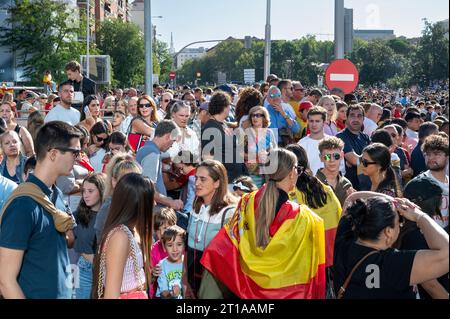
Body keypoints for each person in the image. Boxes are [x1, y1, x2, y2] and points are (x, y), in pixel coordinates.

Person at [200, 149, 326, 299]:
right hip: (282, 293)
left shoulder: (246, 201)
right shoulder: (303, 218)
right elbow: (306, 267)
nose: (299, 174)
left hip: (242, 289)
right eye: (298, 169)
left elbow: (226, 245)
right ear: (291, 173)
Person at [0, 121, 81, 299]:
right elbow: (5, 280)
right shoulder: (23, 204)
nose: (79, 158)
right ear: (53, 153)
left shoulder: (56, 194)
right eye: (75, 152)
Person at [333, 192, 449, 299]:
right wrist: (419, 216)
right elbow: (446, 253)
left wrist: (391, 202)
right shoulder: (392, 264)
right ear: (388, 232)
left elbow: (352, 198)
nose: (401, 225)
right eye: (400, 221)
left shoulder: (344, 239)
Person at [92, 173, 154, 299]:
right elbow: (111, 294)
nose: (155, 204)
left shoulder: (131, 231)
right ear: (140, 203)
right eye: (151, 199)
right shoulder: (120, 236)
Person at [186, 160, 238, 297]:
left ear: (217, 183)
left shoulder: (229, 212)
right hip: (192, 278)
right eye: (196, 178)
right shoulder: (196, 207)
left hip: (215, 282)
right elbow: (188, 248)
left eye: (203, 179)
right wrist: (185, 279)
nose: (197, 183)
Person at [398, 175, 449, 299]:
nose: (441, 200)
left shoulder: (410, 229)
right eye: (438, 197)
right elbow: (430, 284)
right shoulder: (414, 236)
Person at [94, 153, 142, 245]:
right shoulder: (109, 208)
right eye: (126, 180)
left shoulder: (137, 204)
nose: (132, 184)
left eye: (135, 179)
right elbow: (103, 245)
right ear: (114, 181)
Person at [136, 120, 184, 212]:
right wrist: (171, 202)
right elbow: (149, 190)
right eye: (173, 141)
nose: (172, 145)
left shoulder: (146, 149)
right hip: (153, 211)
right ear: (167, 137)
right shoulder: (152, 153)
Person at [201, 91, 248, 186]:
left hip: (236, 179)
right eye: (229, 105)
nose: (230, 108)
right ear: (224, 107)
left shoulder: (223, 124)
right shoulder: (211, 127)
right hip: (225, 181)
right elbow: (208, 159)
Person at [73, 173, 106, 299]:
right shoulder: (77, 215)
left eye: (90, 191)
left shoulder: (110, 215)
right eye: (84, 191)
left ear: (101, 191)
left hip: (106, 270)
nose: (85, 195)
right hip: (85, 269)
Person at [414, 134, 449, 229]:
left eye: (436, 154)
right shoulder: (418, 184)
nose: (430, 158)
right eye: (428, 154)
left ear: (447, 156)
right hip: (424, 238)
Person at [239, 106, 277, 188]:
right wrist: (256, 156)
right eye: (252, 115)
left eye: (258, 115)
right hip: (251, 174)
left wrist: (268, 154)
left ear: (264, 117)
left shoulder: (269, 133)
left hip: (267, 174)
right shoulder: (245, 133)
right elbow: (239, 154)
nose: (254, 117)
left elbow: (275, 152)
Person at [336, 104, 371, 190]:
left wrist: (363, 160)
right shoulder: (341, 136)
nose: (356, 119)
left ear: (363, 119)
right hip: (348, 187)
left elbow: (375, 157)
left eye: (359, 116)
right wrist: (369, 161)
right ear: (346, 118)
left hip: (366, 185)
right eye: (352, 115)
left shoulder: (365, 137)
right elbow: (354, 160)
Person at [316, 136, 354, 207]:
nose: (332, 160)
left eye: (336, 156)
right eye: (327, 156)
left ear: (342, 155)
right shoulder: (314, 183)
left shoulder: (347, 184)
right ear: (321, 158)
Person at [298, 106, 330, 175]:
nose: (314, 124)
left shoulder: (332, 142)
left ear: (324, 122)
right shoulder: (301, 144)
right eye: (311, 121)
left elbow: (340, 167)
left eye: (317, 121)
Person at [156, 225, 186, 299]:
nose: (175, 249)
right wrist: (172, 294)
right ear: (164, 247)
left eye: (179, 244)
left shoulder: (186, 263)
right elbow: (163, 293)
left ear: (184, 245)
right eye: (170, 245)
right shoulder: (162, 265)